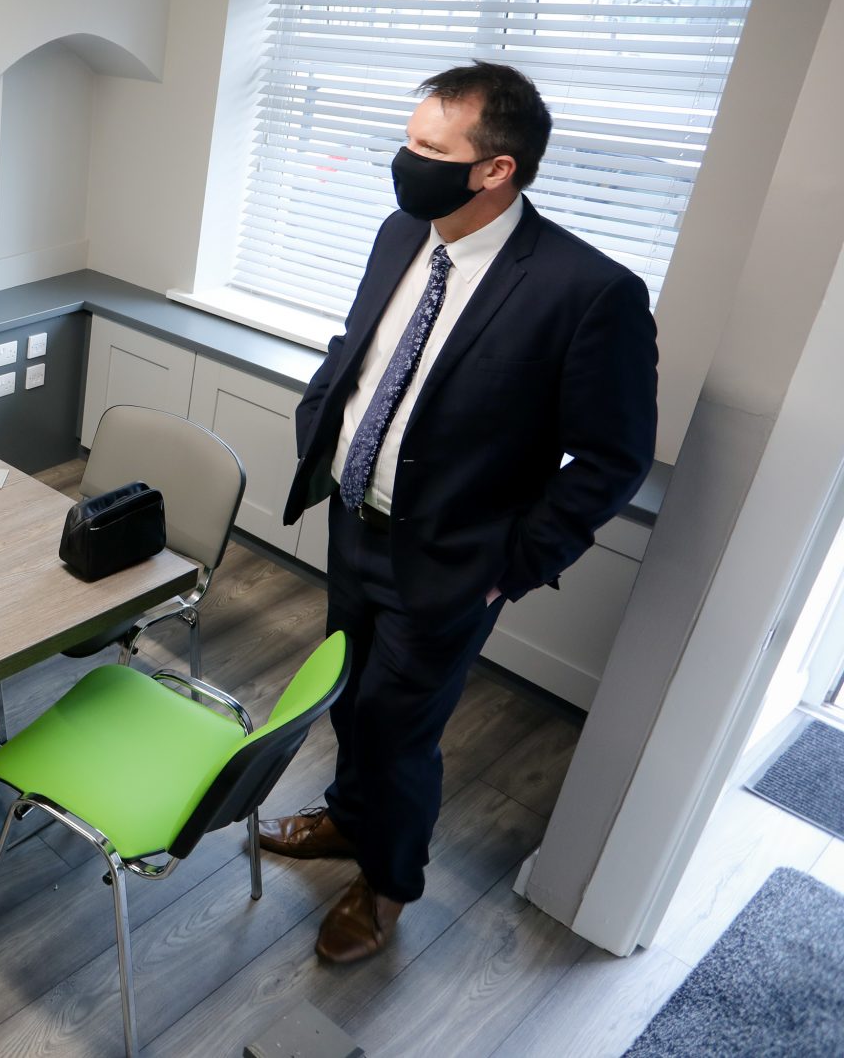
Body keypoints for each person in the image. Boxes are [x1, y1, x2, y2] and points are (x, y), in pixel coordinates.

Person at [264, 61, 657, 962]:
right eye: (409, 139)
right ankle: (346, 819)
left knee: (401, 732)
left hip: (454, 563)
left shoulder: (587, 292)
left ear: (496, 169)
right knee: (349, 700)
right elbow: (357, 345)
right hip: (355, 522)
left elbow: (613, 458)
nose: (406, 161)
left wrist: (509, 567)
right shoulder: (403, 231)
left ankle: (388, 882)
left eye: (428, 149)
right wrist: (323, 420)